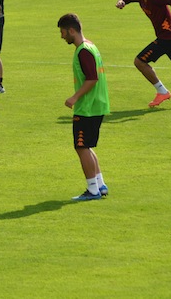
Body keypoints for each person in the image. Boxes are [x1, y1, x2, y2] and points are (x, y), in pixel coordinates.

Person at [58, 13, 110, 201]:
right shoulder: (90, 46)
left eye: (63, 32)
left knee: (81, 148)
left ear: (71, 30)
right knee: (86, 146)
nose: (62, 36)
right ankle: (100, 184)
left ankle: (92, 190)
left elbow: (92, 79)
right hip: (97, 105)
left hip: (88, 107)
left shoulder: (83, 50)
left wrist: (74, 97)